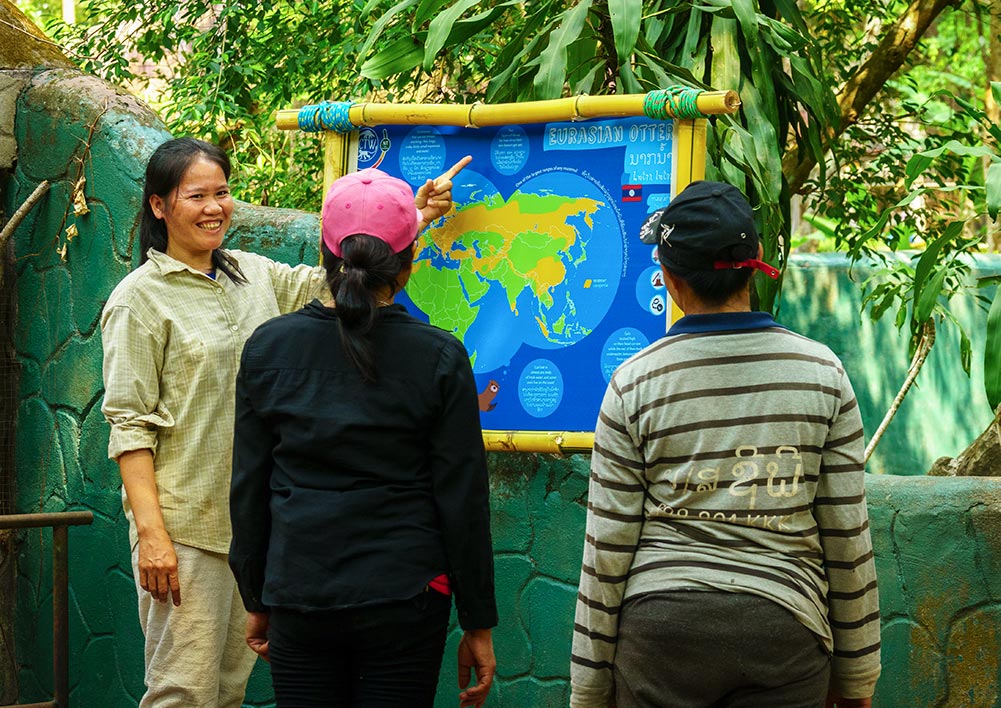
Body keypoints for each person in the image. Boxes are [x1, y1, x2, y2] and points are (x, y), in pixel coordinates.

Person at [101, 137, 467, 707]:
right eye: (195, 195)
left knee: (227, 691)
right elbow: (129, 425)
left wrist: (407, 218)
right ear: (158, 206)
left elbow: (343, 280)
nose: (213, 207)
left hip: (252, 535)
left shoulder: (252, 274)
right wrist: (153, 537)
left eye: (221, 192)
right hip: (186, 533)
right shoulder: (138, 301)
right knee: (181, 693)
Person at [570, 181, 881, 708]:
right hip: (783, 633)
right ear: (756, 260)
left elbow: (607, 550)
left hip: (658, 636)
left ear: (668, 278)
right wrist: (857, 678)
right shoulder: (822, 374)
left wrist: (587, 689)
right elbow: (846, 535)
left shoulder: (633, 383)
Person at [227, 167, 497, 707]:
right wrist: (477, 622)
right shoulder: (439, 357)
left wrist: (257, 596)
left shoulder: (269, 348)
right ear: (409, 263)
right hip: (406, 594)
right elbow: (461, 497)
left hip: (299, 593)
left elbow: (250, 488)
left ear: (324, 255)